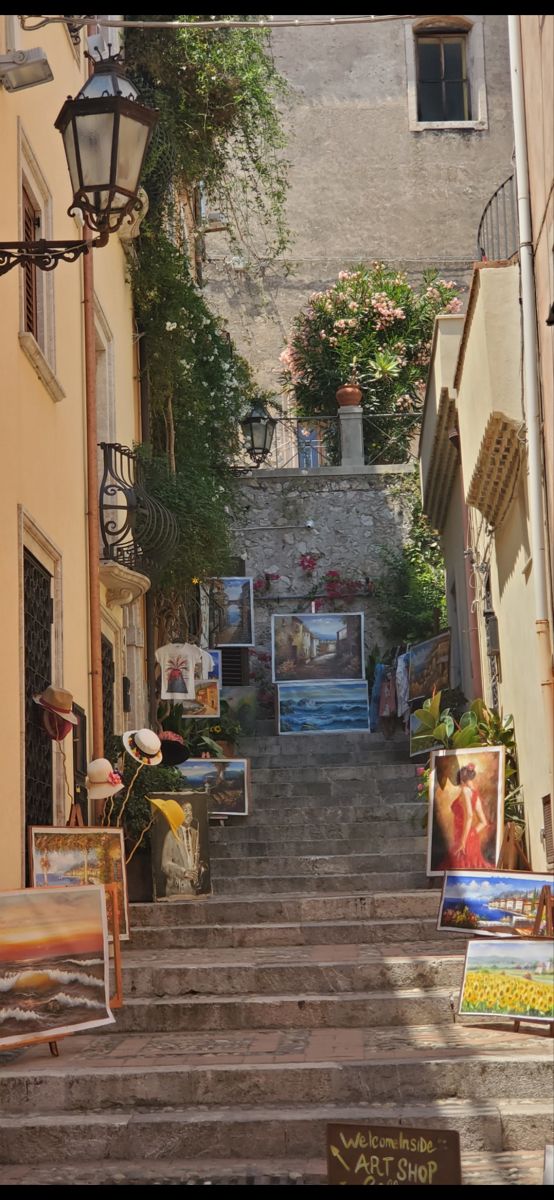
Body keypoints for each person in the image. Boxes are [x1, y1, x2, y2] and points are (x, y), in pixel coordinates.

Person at [438, 763, 491, 869]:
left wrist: (463, 841)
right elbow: (484, 822)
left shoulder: (465, 791)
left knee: (459, 868)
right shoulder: (474, 793)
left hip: (462, 839)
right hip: (469, 838)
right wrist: (472, 834)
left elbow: (470, 816)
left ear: (461, 780)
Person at [161, 802, 200, 896]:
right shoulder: (171, 834)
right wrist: (183, 872)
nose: (189, 813)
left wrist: (197, 869)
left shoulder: (195, 833)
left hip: (192, 889)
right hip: (177, 889)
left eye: (190, 810)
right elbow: (165, 864)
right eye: (185, 810)